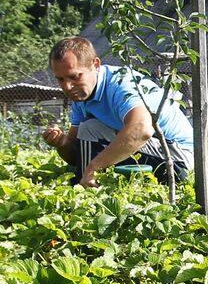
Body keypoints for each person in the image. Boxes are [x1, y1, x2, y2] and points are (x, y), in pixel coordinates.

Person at [40, 36, 194, 187]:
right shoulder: (81, 96)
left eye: (74, 76)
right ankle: (87, 183)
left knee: (90, 128)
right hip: (153, 151)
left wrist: (95, 167)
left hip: (179, 159)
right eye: (60, 79)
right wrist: (63, 143)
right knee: (90, 129)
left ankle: (85, 186)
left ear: (96, 65)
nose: (67, 87)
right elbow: (76, 155)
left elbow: (141, 130)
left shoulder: (120, 84)